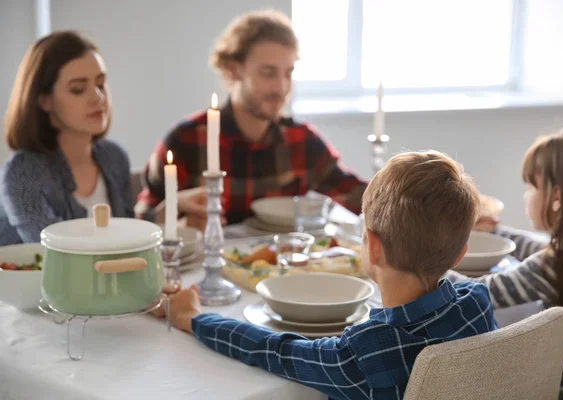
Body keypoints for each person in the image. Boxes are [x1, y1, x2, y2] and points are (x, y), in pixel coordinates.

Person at [155, 151, 496, 399]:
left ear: (373, 247)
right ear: (459, 255)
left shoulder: (364, 354)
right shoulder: (476, 304)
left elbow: (274, 351)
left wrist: (195, 318)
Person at [135, 10, 367, 230]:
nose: (281, 88)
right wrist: (173, 217)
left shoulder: (301, 140)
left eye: (288, 73)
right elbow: (140, 222)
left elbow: (356, 193)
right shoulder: (186, 140)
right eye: (268, 73)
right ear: (234, 70)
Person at [449, 127, 563, 399]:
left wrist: (424, 260)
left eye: (531, 186)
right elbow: (543, 249)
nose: (525, 195)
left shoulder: (557, 265)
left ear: (557, 197)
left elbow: (477, 291)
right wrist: (497, 232)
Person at [0, 31, 133, 245]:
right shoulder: (22, 173)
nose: (97, 97)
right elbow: (56, 254)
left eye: (100, 84)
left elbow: (126, 233)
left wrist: (169, 211)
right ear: (45, 101)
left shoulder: (114, 157)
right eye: (78, 90)